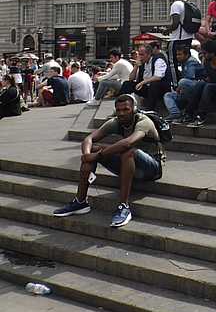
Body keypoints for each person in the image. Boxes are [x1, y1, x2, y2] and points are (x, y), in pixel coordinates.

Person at [53, 95, 165, 228]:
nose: (121, 113)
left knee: (128, 151)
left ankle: (124, 207)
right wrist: (87, 155)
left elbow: (128, 143)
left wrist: (97, 156)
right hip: (130, 165)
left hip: (152, 168)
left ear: (134, 110)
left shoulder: (143, 122)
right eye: (118, 110)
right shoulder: (116, 121)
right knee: (93, 151)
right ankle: (80, 201)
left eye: (126, 109)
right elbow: (89, 138)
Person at [120, 42, 170, 112]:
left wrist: (142, 82)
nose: (140, 57)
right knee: (127, 84)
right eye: (139, 55)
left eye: (142, 55)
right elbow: (131, 79)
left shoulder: (158, 60)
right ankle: (121, 106)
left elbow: (158, 77)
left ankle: (149, 110)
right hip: (147, 88)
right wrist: (136, 66)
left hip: (160, 89)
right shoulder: (142, 63)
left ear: (149, 54)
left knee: (154, 84)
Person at [163, 44, 206, 122]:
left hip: (197, 89)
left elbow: (189, 78)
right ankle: (175, 113)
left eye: (180, 54)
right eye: (177, 54)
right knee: (168, 95)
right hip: (186, 91)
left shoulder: (191, 62)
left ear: (186, 55)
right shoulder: (183, 63)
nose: (177, 57)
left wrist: (179, 87)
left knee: (182, 82)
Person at [166, 0, 197, 86]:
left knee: (172, 63)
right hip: (188, 38)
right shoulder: (186, 2)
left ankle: (176, 85)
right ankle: (188, 82)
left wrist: (167, 30)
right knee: (186, 62)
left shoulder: (176, 4)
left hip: (177, 39)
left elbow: (175, 24)